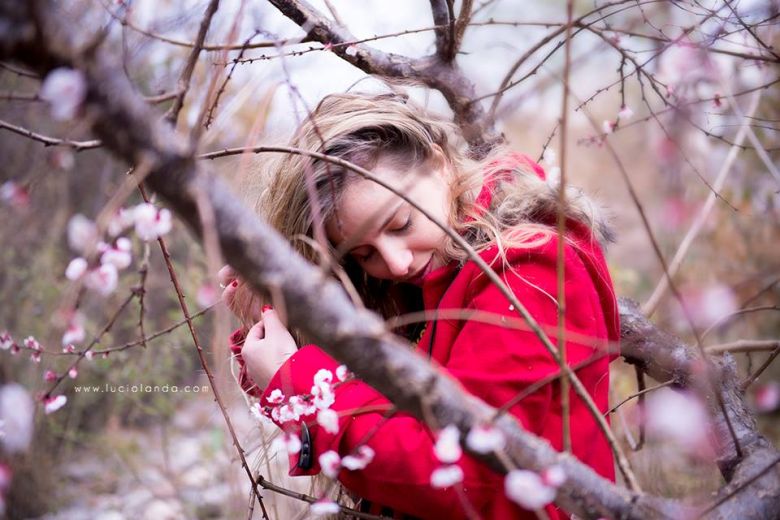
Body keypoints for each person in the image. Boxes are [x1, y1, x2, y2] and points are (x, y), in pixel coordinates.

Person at [219, 92, 619, 519]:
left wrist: (296, 381)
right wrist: (280, 319)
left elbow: (463, 475)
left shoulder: (530, 270)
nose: (396, 262)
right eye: (363, 253)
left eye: (400, 224)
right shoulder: (420, 283)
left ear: (439, 163)